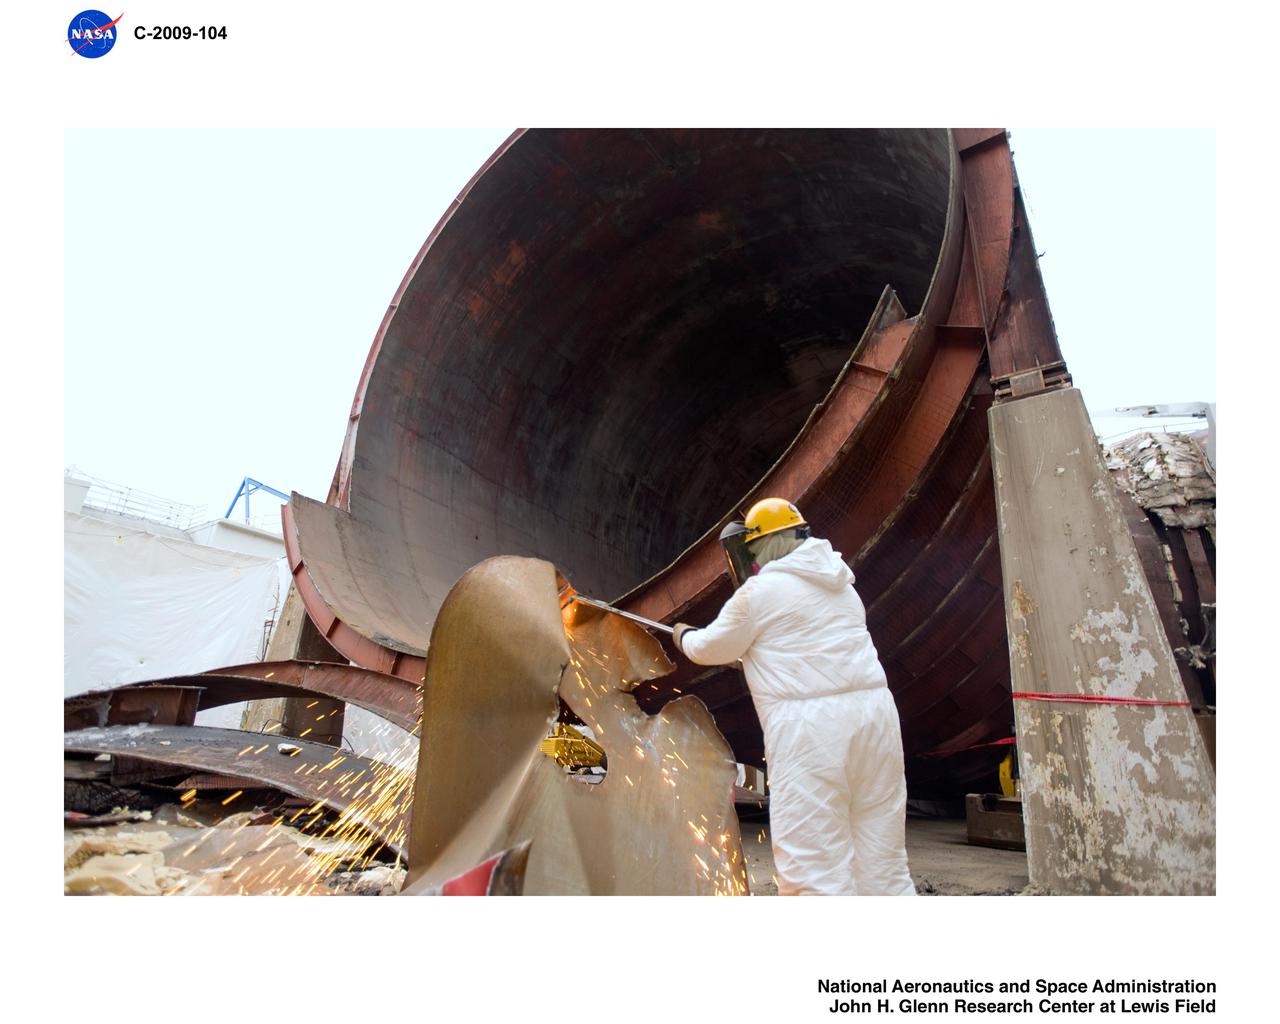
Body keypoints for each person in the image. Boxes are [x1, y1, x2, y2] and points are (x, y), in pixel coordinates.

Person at [673, 497, 915, 896]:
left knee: (813, 871)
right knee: (884, 867)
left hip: (813, 735)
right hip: (876, 722)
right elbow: (809, 645)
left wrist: (683, 636)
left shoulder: (760, 593)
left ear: (762, 546)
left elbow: (709, 648)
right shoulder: (840, 584)